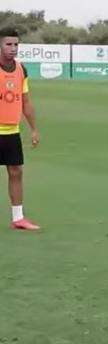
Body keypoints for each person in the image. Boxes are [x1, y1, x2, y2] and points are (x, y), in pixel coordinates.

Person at [0, 28, 41, 231]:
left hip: (11, 132)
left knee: (16, 172)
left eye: (16, 44)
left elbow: (25, 101)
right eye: (8, 44)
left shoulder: (21, 70)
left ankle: (18, 218)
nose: (13, 48)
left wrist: (34, 129)